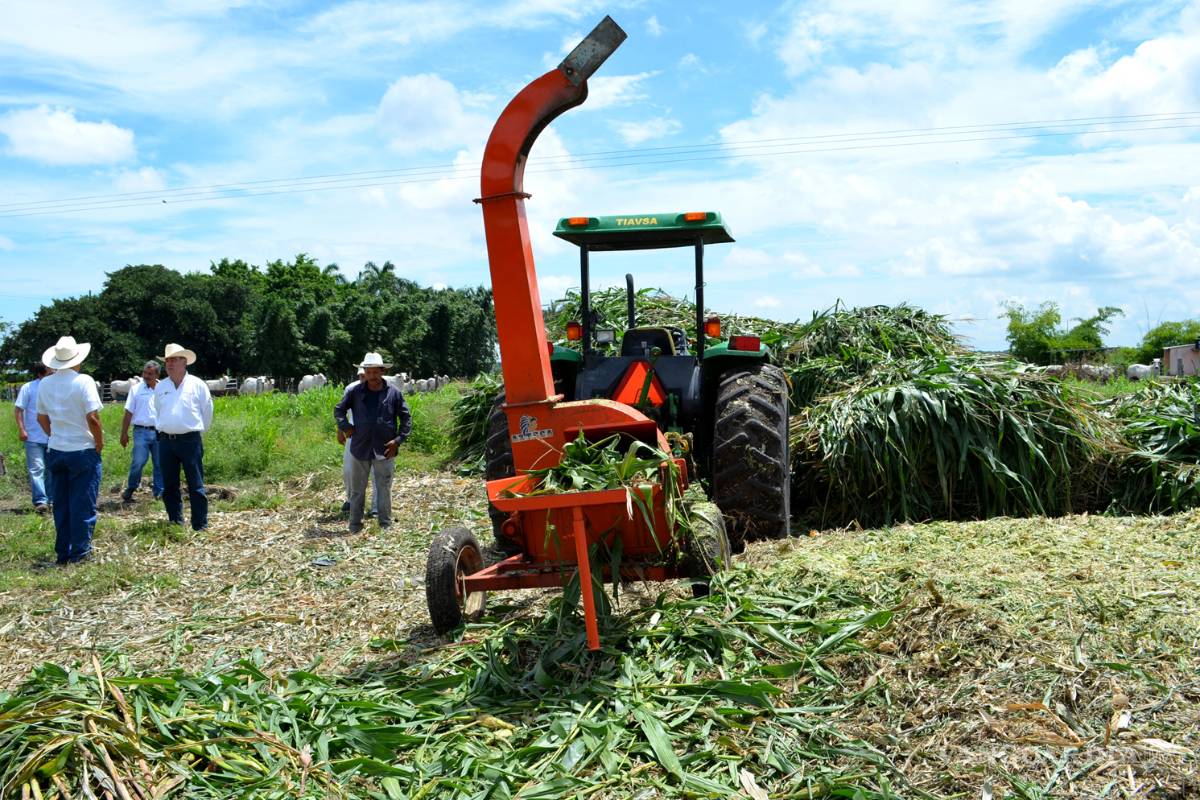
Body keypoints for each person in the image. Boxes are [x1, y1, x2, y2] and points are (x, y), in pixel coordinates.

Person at [35, 336, 103, 565]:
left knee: (61, 504)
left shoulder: (45, 383)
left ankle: (63, 552)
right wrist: (99, 442)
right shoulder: (84, 381)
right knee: (82, 502)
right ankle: (80, 553)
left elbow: (41, 417)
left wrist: (53, 435)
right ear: (77, 359)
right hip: (82, 448)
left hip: (57, 449)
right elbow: (92, 418)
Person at [334, 352, 411, 532]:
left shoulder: (394, 393)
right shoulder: (355, 392)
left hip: (385, 448)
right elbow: (339, 410)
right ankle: (355, 525)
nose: (372, 376)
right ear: (365, 372)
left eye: (375, 372)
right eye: (368, 372)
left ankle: (385, 524)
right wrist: (345, 426)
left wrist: (398, 441)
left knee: (383, 487)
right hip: (360, 447)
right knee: (357, 489)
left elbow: (406, 418)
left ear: (382, 371)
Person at [154, 343, 213, 531]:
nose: (169, 364)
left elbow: (207, 411)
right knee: (169, 485)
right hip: (165, 441)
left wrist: (196, 432)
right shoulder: (161, 386)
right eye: (167, 360)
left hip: (190, 440)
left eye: (174, 360)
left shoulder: (197, 385)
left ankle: (200, 524)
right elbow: (157, 411)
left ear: (184, 362)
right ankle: (175, 521)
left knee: (195, 484)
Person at [120, 361, 163, 502]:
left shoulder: (164, 388)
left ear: (157, 374)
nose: (146, 376)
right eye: (145, 373)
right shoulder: (136, 389)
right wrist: (124, 433)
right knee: (138, 461)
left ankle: (159, 493)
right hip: (141, 431)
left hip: (160, 431)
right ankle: (131, 488)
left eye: (150, 374)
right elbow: (128, 412)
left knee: (160, 463)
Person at [14, 363, 54, 512]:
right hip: (33, 436)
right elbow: (18, 410)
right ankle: (40, 501)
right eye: (50, 372)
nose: (53, 374)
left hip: (53, 436)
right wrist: (22, 429)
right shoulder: (28, 388)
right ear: (40, 374)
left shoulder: (55, 387)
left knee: (52, 469)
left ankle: (51, 499)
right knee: (37, 469)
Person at [339, 368, 378, 518]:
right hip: (353, 436)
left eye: (367, 375)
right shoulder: (351, 389)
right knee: (350, 470)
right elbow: (343, 411)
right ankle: (351, 501)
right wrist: (340, 430)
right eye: (362, 376)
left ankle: (376, 508)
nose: (364, 379)